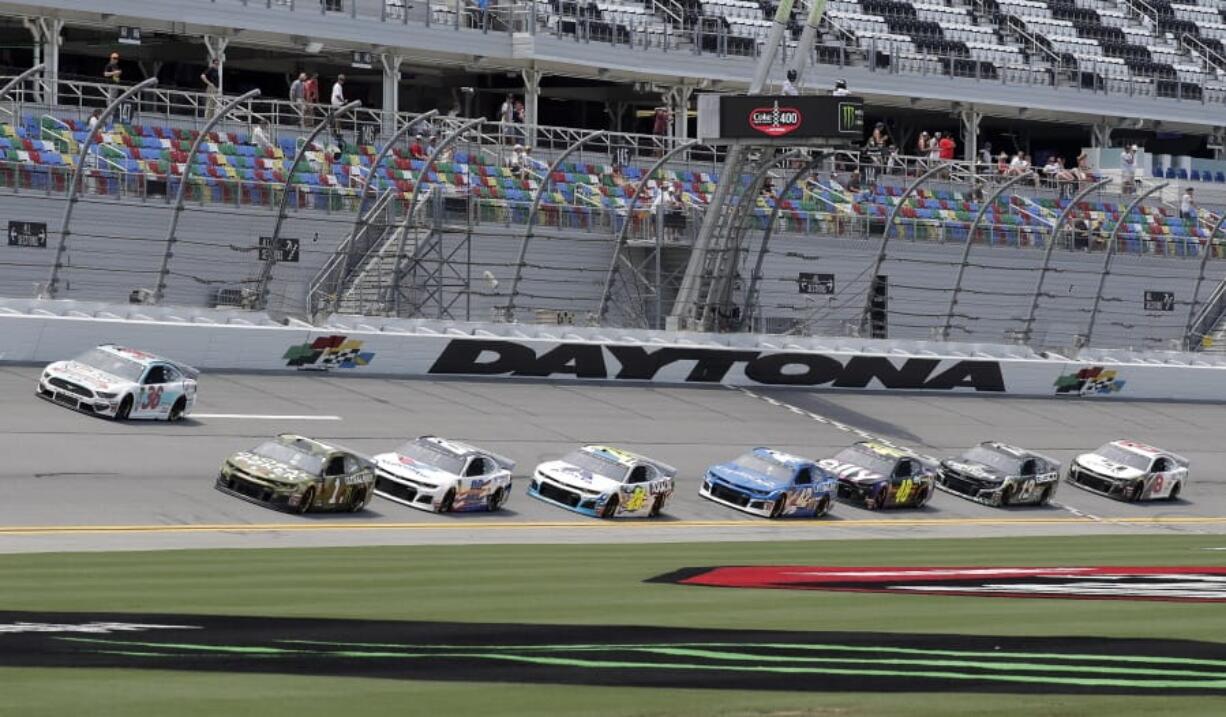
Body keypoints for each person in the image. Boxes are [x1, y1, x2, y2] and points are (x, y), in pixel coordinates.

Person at [330, 74, 346, 146]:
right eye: (342, 80)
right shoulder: (337, 86)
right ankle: (337, 132)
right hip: (337, 104)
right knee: (337, 120)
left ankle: (337, 132)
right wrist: (343, 101)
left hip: (338, 105)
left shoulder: (338, 86)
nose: (343, 81)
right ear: (339, 79)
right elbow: (337, 95)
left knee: (337, 120)